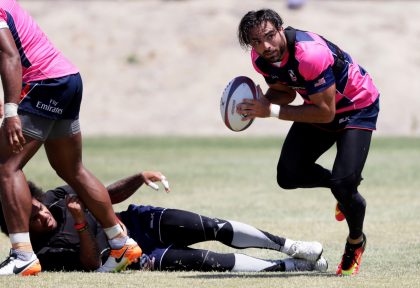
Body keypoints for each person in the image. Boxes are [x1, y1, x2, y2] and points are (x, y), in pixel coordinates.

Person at [0, 0, 147, 275]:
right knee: (71, 169)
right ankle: (120, 242)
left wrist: (11, 111)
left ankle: (22, 255)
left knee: (6, 166)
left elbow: (10, 57)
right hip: (66, 78)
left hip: (45, 83)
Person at [236, 9, 380, 276]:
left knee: (343, 184)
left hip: (356, 107)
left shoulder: (309, 53)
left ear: (281, 28)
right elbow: (286, 92)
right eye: (256, 41)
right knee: (288, 175)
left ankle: (355, 242)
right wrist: (262, 103)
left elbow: (327, 113)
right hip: (320, 106)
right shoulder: (261, 59)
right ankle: (343, 189)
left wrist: (271, 111)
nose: (265, 46)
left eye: (270, 36)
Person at [0, 171, 328, 273]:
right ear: (19, 225)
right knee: (210, 261)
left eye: (38, 206)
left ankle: (288, 245)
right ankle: (290, 267)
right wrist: (82, 224)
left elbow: (105, 195)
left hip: (139, 222)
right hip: (133, 258)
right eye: (33, 217)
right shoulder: (39, 251)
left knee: (212, 226)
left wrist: (138, 178)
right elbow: (88, 265)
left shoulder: (57, 198)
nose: (42, 213)